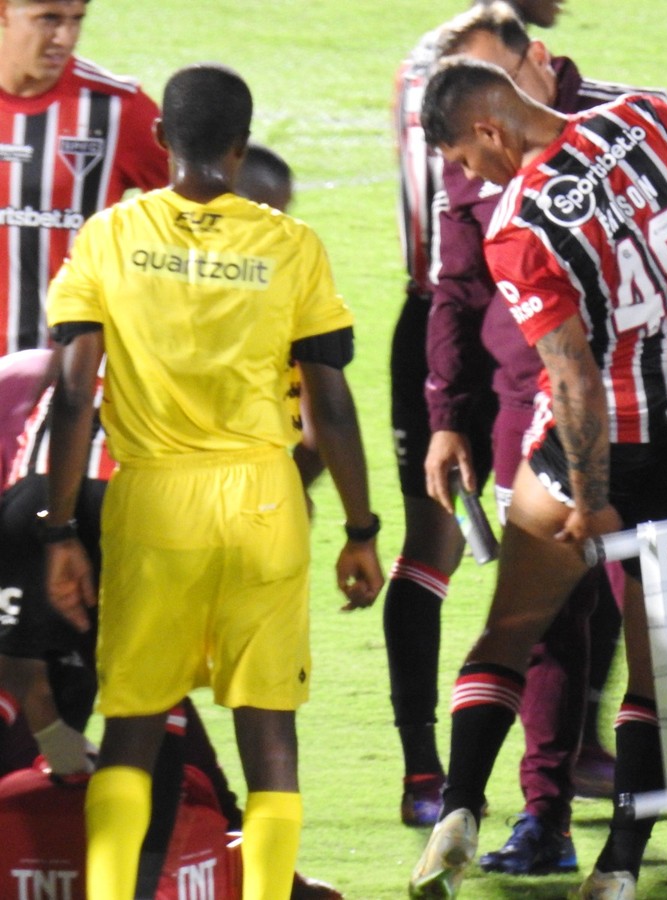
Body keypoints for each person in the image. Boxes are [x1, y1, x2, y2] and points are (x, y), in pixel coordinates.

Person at [419, 3, 667, 881]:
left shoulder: (520, 225)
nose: (475, 177)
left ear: (490, 128)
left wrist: (593, 493)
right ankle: (619, 864)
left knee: (512, 622)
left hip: (607, 447)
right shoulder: (655, 114)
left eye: (467, 159)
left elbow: (571, 378)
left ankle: (458, 808)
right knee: (661, 662)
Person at [40, 64, 384, 900]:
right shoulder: (291, 246)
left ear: (160, 140)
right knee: (270, 739)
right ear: (240, 145)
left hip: (153, 505)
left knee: (129, 732)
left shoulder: (110, 237)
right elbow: (329, 407)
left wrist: (56, 530)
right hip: (263, 504)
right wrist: (362, 528)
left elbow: (74, 393)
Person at [386, 0, 623, 836]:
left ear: (539, 62)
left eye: (497, 79)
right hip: (526, 404)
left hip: (630, 404)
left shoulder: (626, 127)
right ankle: (539, 811)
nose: (485, 113)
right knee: (543, 611)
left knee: (638, 594)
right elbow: (455, 288)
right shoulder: (475, 155)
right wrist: (449, 412)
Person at [0, 0, 167, 357]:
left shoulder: (118, 107)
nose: (66, 37)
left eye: (76, 20)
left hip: (67, 370)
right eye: (48, 19)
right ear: (2, 13)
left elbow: (204, 207)